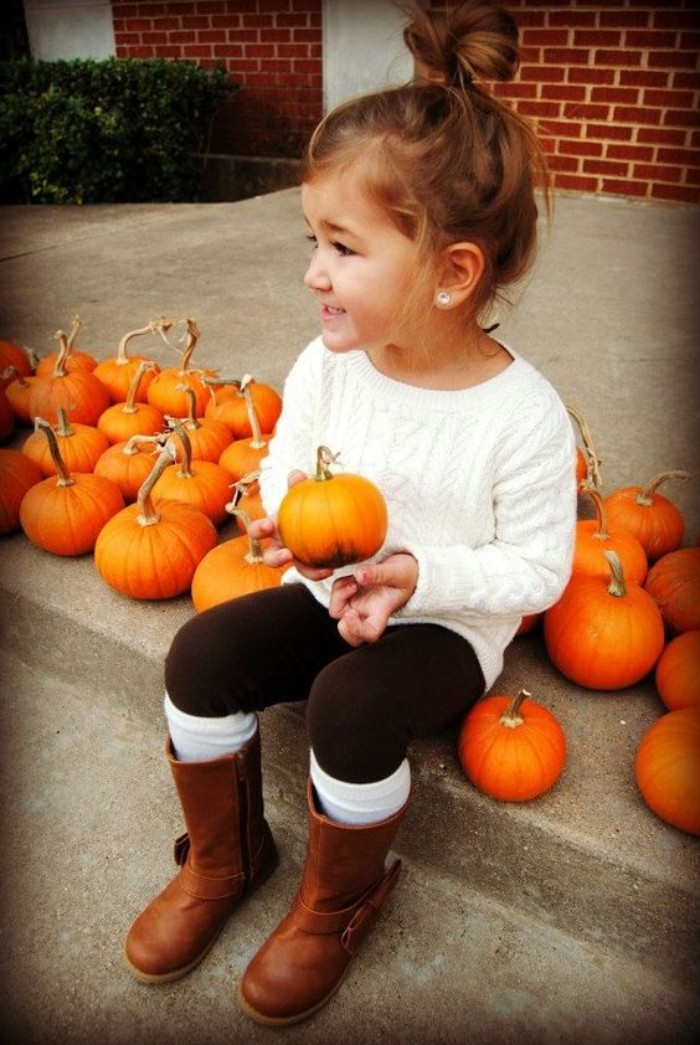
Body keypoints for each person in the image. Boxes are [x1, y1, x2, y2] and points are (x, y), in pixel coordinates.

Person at [124, 0, 577, 1027]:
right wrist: (285, 519)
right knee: (200, 652)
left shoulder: (522, 417)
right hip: (332, 585)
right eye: (311, 238)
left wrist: (420, 573)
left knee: (351, 703)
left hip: (444, 625)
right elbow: (287, 467)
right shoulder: (327, 366)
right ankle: (225, 860)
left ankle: (337, 901)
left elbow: (538, 569)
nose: (311, 272)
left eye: (342, 246)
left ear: (453, 273)